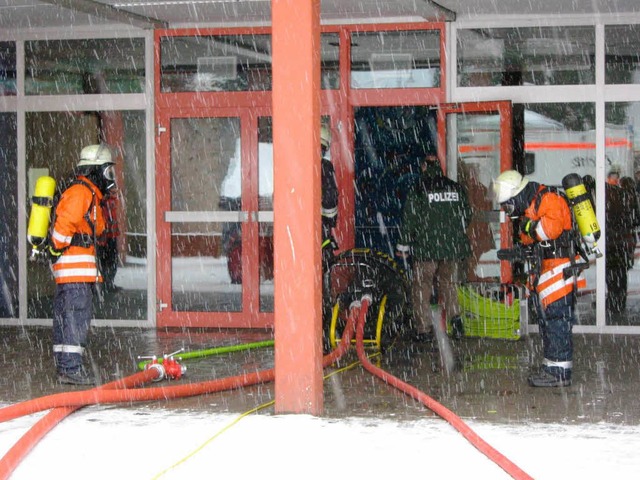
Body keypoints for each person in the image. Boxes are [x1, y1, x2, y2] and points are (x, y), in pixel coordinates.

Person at [492, 170, 585, 387]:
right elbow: (530, 237)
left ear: (517, 195)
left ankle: (560, 373)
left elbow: (548, 230)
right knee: (549, 321)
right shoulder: (533, 204)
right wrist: (522, 245)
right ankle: (552, 366)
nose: (508, 211)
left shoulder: (549, 199)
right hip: (549, 270)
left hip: (559, 270)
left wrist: (528, 228)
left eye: (508, 205)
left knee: (557, 321)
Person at [48, 144, 115, 385]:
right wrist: (56, 245)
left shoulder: (89, 194)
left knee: (68, 318)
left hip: (74, 274)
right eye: (107, 172)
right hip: (73, 273)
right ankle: (70, 369)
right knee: (76, 318)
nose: (110, 179)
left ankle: (65, 366)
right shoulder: (81, 193)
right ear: (95, 170)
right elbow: (65, 224)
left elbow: (95, 228)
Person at [396, 153, 472, 342]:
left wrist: (403, 246)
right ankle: (456, 321)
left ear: (423, 167)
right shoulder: (455, 188)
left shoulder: (420, 189)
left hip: (427, 249)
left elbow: (409, 220)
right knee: (448, 284)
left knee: (422, 286)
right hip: (451, 248)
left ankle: (423, 329)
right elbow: (467, 215)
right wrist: (451, 233)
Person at [459, 162, 494, 282]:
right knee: (473, 263)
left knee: (470, 264)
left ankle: (471, 280)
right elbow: (488, 210)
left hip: (472, 234)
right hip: (480, 234)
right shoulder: (481, 189)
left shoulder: (462, 189)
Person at [320, 124, 339, 271]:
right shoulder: (325, 166)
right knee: (323, 266)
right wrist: (330, 221)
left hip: (301, 228)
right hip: (320, 227)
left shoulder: (300, 164)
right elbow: (330, 197)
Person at [97, 188, 121, 293]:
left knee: (111, 260)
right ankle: (104, 284)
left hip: (110, 235)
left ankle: (108, 283)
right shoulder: (100, 200)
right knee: (104, 260)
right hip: (103, 236)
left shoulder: (110, 200)